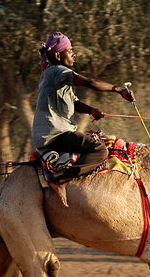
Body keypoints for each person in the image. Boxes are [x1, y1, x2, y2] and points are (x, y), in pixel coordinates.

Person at [32, 31, 135, 182]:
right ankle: (61, 182)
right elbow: (91, 83)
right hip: (54, 135)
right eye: (70, 51)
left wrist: (90, 110)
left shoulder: (55, 77)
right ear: (58, 56)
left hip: (51, 135)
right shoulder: (57, 71)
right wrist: (118, 90)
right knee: (100, 150)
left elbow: (74, 103)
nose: (74, 55)